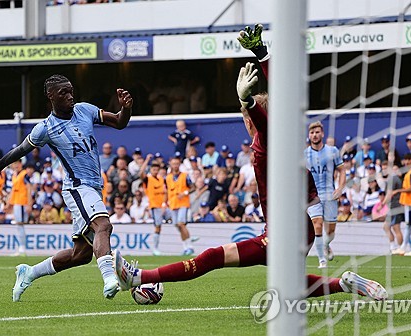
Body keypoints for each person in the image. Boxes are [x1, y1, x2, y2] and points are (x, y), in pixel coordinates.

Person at [114, 25, 386, 301]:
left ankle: (138, 277)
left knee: (213, 257)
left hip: (286, 230)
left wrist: (249, 102)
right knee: (291, 286)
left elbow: (265, 123)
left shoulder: (267, 140)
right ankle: (345, 283)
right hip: (294, 227)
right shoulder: (288, 135)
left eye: (246, 117)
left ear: (249, 119)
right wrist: (262, 54)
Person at [0, 74, 133, 301]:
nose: (70, 96)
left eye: (71, 91)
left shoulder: (85, 110)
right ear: (51, 96)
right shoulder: (45, 128)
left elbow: (119, 122)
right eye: (63, 93)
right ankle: (110, 278)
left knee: (81, 255)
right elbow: (20, 150)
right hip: (77, 187)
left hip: (94, 187)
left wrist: (126, 108)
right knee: (104, 225)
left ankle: (29, 272)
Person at [304, 120, 346, 267]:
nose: (314, 135)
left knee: (331, 230)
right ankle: (322, 260)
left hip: (330, 194)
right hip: (312, 196)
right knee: (317, 224)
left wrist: (340, 188)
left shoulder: (332, 151)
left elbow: (342, 170)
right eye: (312, 132)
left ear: (322, 134)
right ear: (309, 135)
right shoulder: (304, 154)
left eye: (317, 132)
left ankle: (326, 245)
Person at [166, 156, 196, 255]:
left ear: (179, 165)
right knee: (177, 225)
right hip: (173, 204)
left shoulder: (185, 175)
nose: (175, 166)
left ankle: (190, 245)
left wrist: (185, 193)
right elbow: (168, 191)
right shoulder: (168, 177)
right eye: (173, 164)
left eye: (177, 164)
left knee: (181, 223)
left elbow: (193, 187)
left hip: (183, 203)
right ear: (171, 164)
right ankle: (186, 246)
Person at [393, 153, 411, 256]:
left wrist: (398, 191)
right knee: (409, 225)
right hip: (408, 202)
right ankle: (403, 247)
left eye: (408, 160)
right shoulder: (410, 172)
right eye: (405, 160)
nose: (406, 162)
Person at [140, 155, 166, 255]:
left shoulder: (161, 179)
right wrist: (146, 160)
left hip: (163, 206)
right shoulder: (148, 179)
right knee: (158, 226)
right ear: (151, 169)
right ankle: (155, 248)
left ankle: (187, 238)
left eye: (156, 169)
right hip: (154, 206)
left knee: (177, 221)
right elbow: (141, 173)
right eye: (153, 169)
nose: (155, 170)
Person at [383, 170, 404, 254]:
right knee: (386, 227)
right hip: (393, 206)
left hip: (395, 206)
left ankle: (400, 248)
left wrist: (382, 204)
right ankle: (393, 247)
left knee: (396, 228)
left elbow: (389, 194)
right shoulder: (394, 178)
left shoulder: (393, 179)